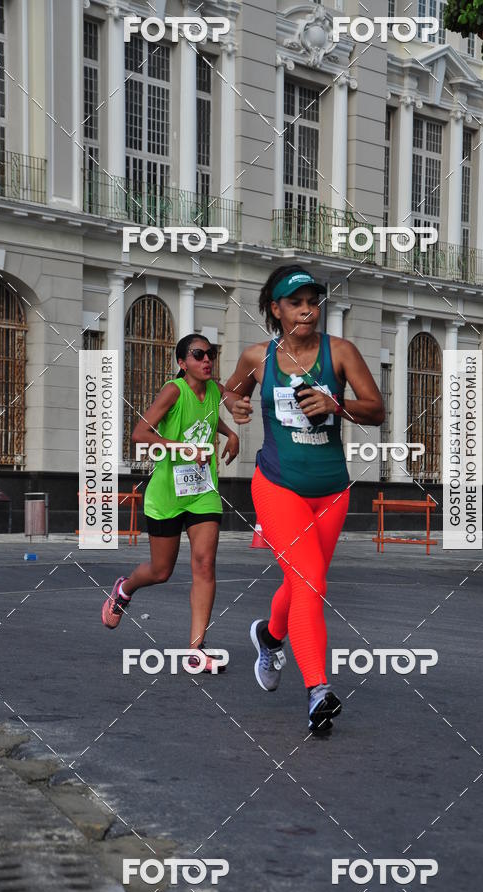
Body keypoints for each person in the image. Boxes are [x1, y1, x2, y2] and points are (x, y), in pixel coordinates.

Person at [222, 264, 385, 729]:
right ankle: (319, 690)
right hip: (277, 485)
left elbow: (376, 409)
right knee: (311, 582)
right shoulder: (259, 357)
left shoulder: (341, 353)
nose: (307, 310)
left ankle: (270, 637)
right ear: (276, 309)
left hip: (332, 490)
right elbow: (229, 392)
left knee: (300, 584)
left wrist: (338, 405)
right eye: (295, 302)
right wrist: (234, 403)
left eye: (312, 301)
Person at [101, 334, 239, 672]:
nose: (207, 359)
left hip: (203, 490)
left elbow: (207, 418)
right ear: (182, 363)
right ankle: (124, 589)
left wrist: (230, 433)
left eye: (211, 353)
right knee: (161, 571)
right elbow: (139, 434)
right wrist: (182, 448)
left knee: (205, 565)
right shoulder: (173, 391)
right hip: (166, 494)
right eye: (198, 354)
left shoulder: (215, 390)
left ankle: (197, 649)